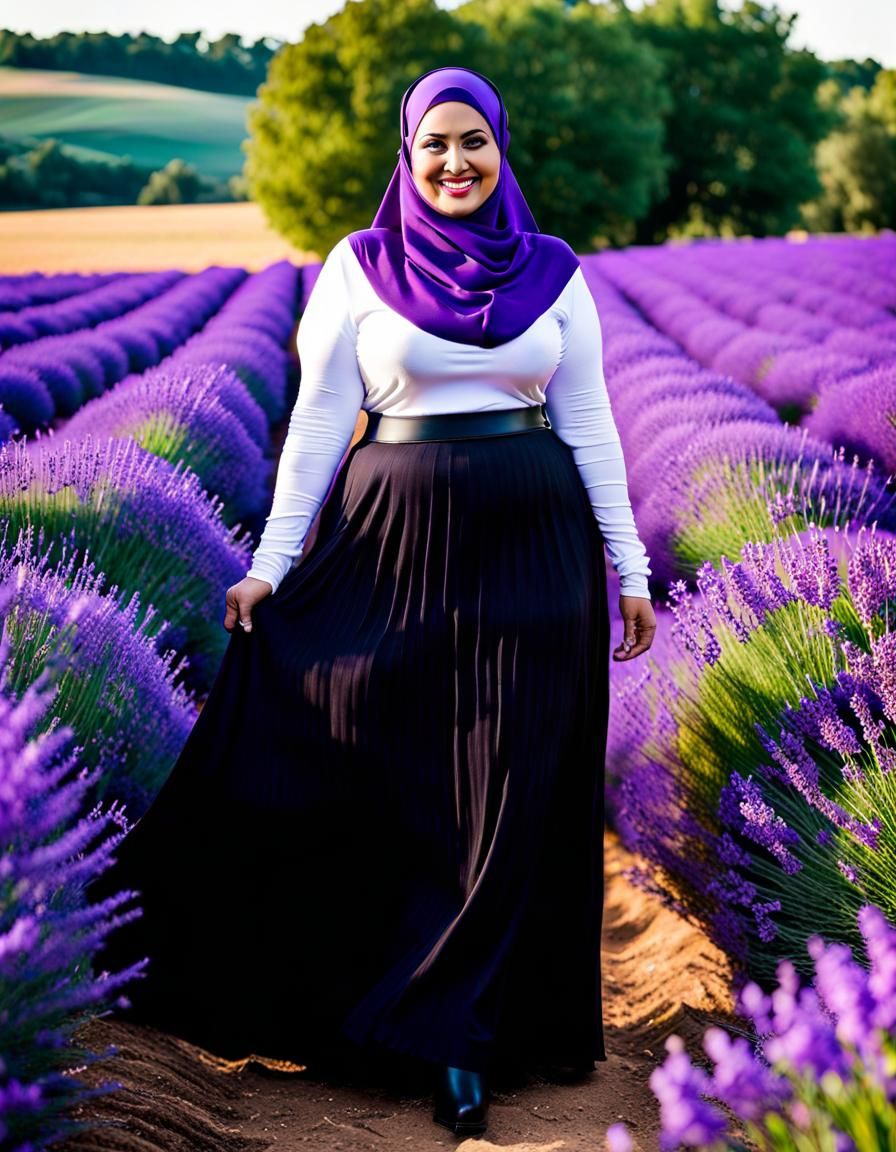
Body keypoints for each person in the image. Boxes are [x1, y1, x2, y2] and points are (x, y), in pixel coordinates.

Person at [88, 66, 656, 1140]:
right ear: (407, 154)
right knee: (393, 766)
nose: (454, 162)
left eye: (473, 142)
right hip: (390, 538)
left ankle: (459, 1037)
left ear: (500, 150)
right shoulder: (358, 267)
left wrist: (628, 567)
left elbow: (590, 423)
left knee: (510, 784)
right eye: (434, 143)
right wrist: (271, 564)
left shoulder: (555, 272)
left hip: (535, 548)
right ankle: (382, 999)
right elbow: (315, 425)